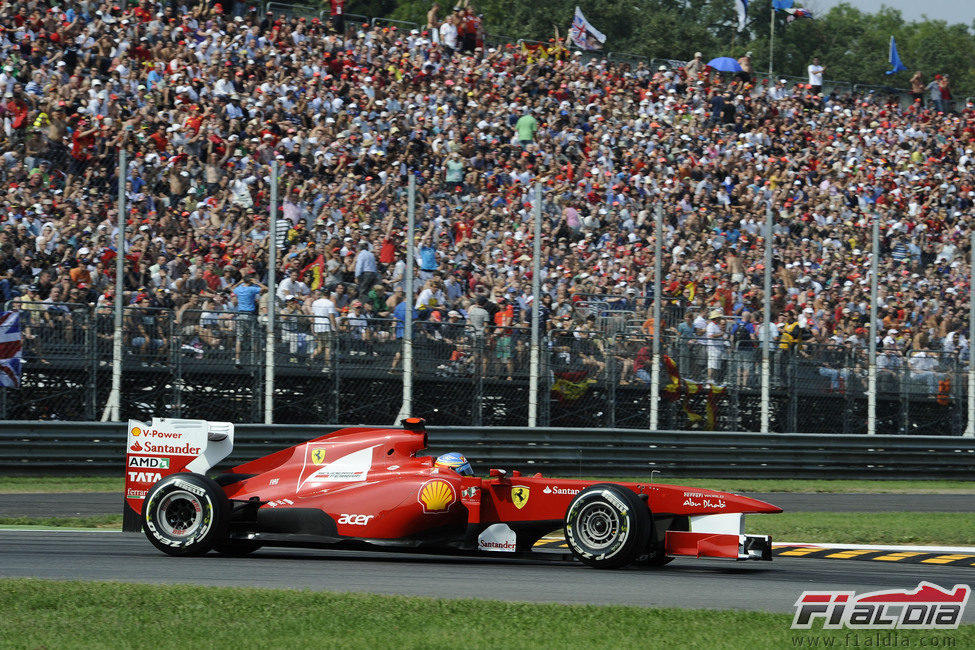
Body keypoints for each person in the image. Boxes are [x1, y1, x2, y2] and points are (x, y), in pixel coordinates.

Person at [232, 273, 266, 368]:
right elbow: (266, 289)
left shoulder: (239, 289)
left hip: (240, 315)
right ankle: (259, 360)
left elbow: (232, 289)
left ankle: (237, 361)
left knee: (239, 339)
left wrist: (239, 282)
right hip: (250, 315)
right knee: (255, 338)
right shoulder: (251, 289)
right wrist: (257, 282)